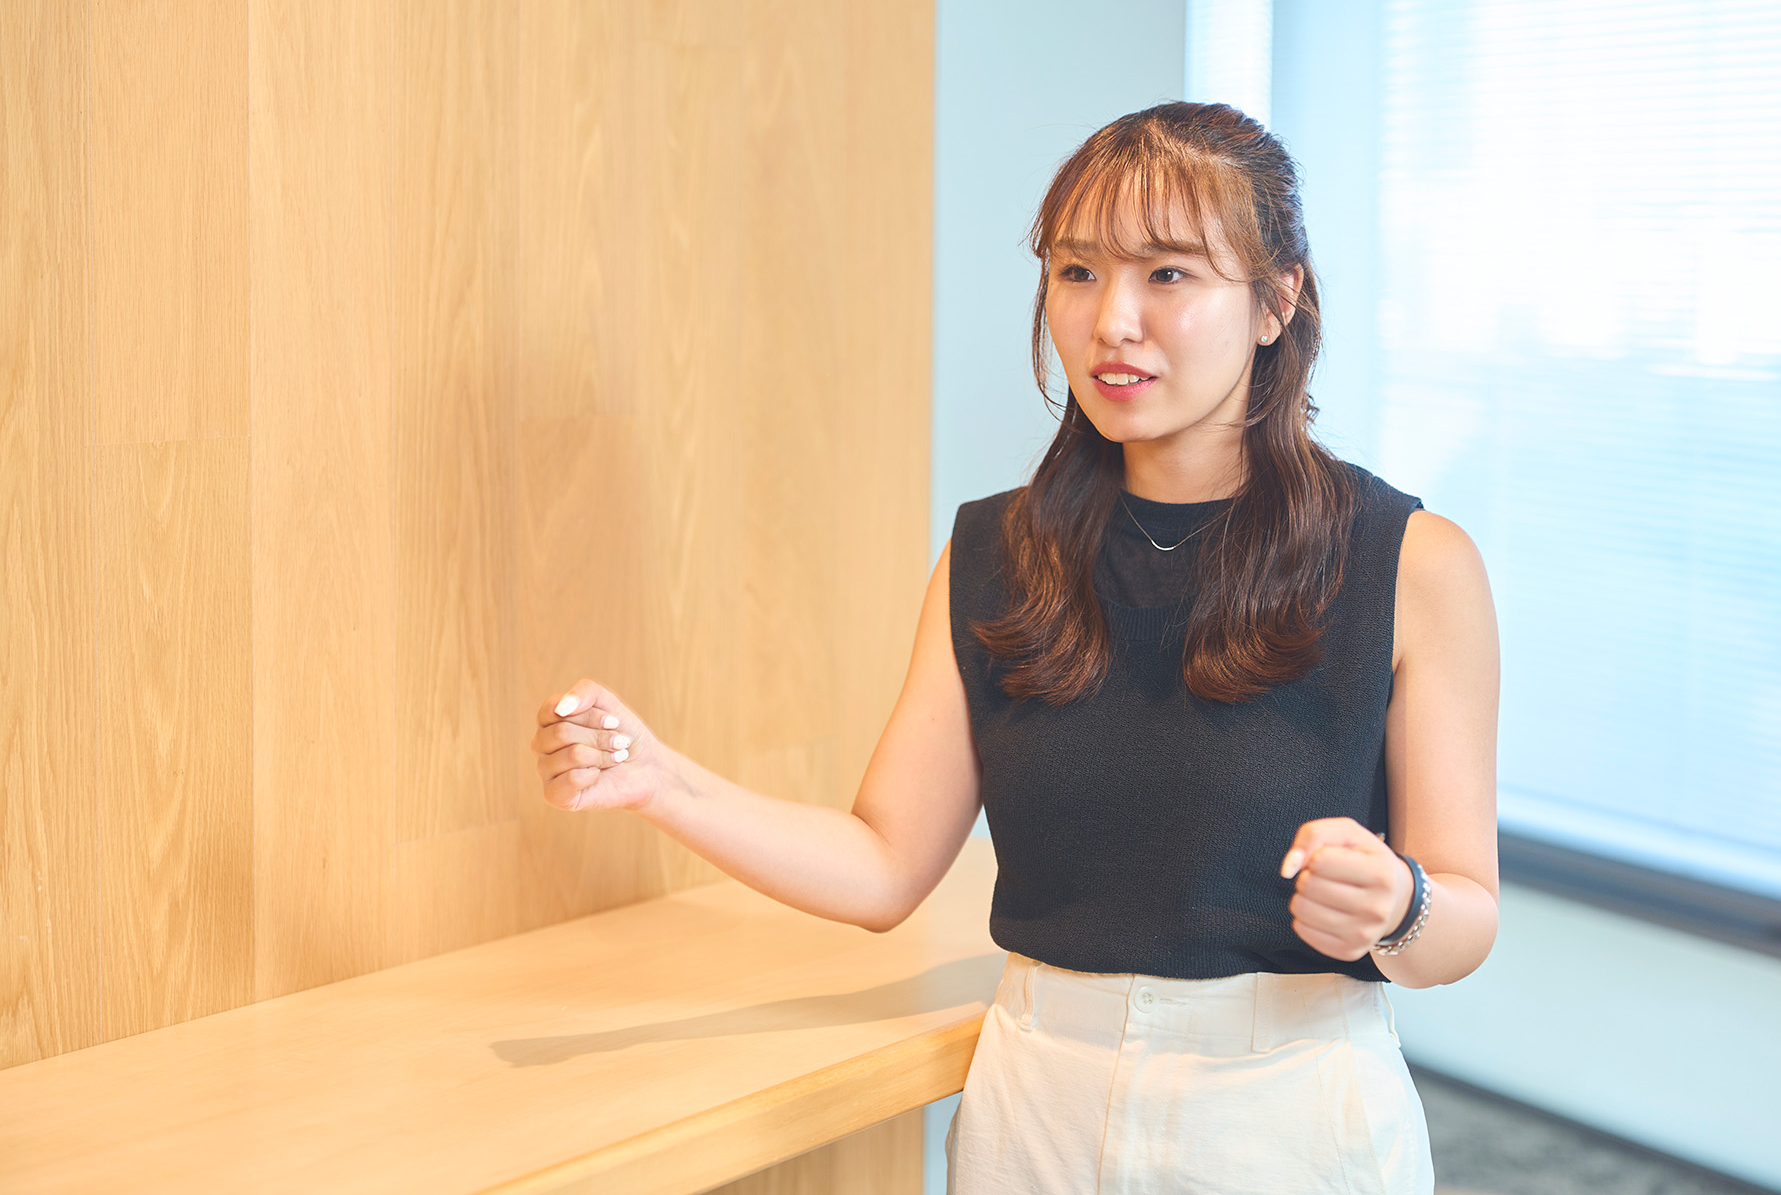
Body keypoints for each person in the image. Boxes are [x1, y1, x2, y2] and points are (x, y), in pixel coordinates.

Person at [528, 101, 1500, 1195]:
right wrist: (663, 781)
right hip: (1035, 1101)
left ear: (1278, 301)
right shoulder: (998, 552)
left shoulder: (1410, 563)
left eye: (1168, 274)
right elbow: (883, 864)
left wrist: (1400, 905)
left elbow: (1465, 915)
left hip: (1286, 1110)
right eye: (1078, 272)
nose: (1112, 321)